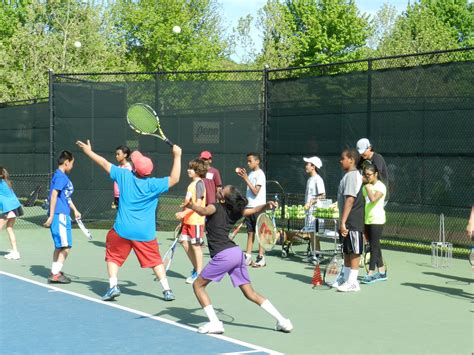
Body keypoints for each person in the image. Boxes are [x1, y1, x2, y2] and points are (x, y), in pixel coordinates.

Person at [76, 139, 181, 302]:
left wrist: (88, 151)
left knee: (112, 256)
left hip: (122, 230)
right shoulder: (155, 184)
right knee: (155, 261)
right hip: (145, 233)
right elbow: (174, 178)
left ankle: (113, 286)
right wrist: (177, 156)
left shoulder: (124, 175)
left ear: (135, 168)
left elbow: (104, 163)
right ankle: (167, 290)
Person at [185, 185, 293, 334]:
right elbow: (255, 210)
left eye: (221, 191)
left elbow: (204, 211)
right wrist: (267, 205)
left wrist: (192, 205)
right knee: (250, 293)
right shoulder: (236, 212)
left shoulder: (214, 207)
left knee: (198, 285)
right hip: (236, 253)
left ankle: (215, 323)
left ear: (222, 198)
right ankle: (283, 321)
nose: (219, 189)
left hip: (224, 255)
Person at [43, 151, 81, 283]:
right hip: (60, 216)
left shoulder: (60, 176)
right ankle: (55, 274)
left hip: (62, 214)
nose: (72, 166)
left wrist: (75, 210)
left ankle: (55, 271)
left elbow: (65, 196)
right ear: (67, 162)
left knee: (59, 246)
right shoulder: (61, 177)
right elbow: (54, 195)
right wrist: (52, 215)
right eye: (72, 163)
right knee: (66, 246)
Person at [333, 148, 365, 292]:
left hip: (352, 220)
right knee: (347, 250)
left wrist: (343, 222)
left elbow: (350, 200)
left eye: (343, 158)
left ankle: (353, 282)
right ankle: (346, 279)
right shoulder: (348, 175)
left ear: (351, 160)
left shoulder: (352, 176)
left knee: (354, 251)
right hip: (347, 219)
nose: (340, 161)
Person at [175, 159, 207, 284]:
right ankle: (197, 268)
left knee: (196, 246)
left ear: (198, 171)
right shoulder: (191, 184)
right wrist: (184, 209)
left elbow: (198, 203)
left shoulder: (199, 183)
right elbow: (190, 202)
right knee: (184, 242)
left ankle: (199, 274)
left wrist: (184, 212)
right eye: (189, 168)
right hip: (187, 220)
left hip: (196, 221)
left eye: (192, 169)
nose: (188, 170)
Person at [237, 153, 266, 267]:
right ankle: (248, 257)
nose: (248, 163)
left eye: (250, 161)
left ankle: (261, 258)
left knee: (260, 234)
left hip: (258, 207)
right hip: (249, 207)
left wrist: (245, 178)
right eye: (247, 161)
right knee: (250, 233)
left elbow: (255, 191)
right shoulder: (250, 173)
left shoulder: (260, 174)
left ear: (257, 161)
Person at [361, 164, 387, 284]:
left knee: (373, 247)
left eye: (369, 175)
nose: (367, 177)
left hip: (377, 220)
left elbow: (372, 199)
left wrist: (367, 186)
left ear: (375, 174)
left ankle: (370, 273)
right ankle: (382, 272)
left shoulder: (381, 187)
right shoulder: (366, 187)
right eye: (365, 175)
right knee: (375, 245)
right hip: (367, 220)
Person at [303, 156, 326, 262]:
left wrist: (312, 201)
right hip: (309, 211)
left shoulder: (318, 179)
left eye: (308, 164)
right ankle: (314, 253)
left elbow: (323, 196)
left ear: (313, 167)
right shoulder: (310, 179)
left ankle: (318, 255)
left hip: (316, 212)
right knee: (311, 233)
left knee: (314, 233)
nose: (306, 166)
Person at [0, 167, 22, 260]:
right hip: (15, 207)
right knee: (9, 228)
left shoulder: (1, 183)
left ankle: (15, 252)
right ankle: (15, 252)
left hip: (8, 208)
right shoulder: (6, 182)